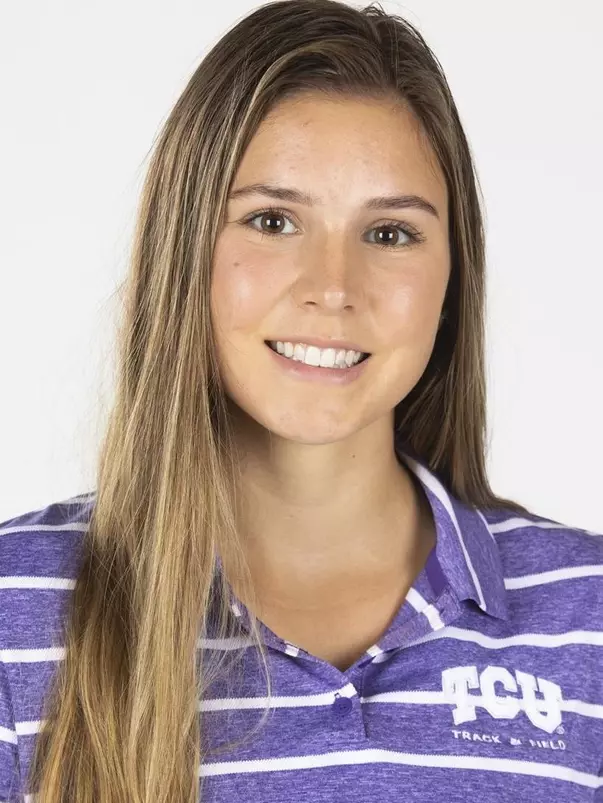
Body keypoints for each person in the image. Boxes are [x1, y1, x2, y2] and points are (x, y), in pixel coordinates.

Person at [1, 0, 602, 801]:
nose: (332, 287)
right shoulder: (16, 612)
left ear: (452, 280)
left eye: (389, 233)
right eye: (272, 219)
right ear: (184, 255)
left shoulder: (586, 616)